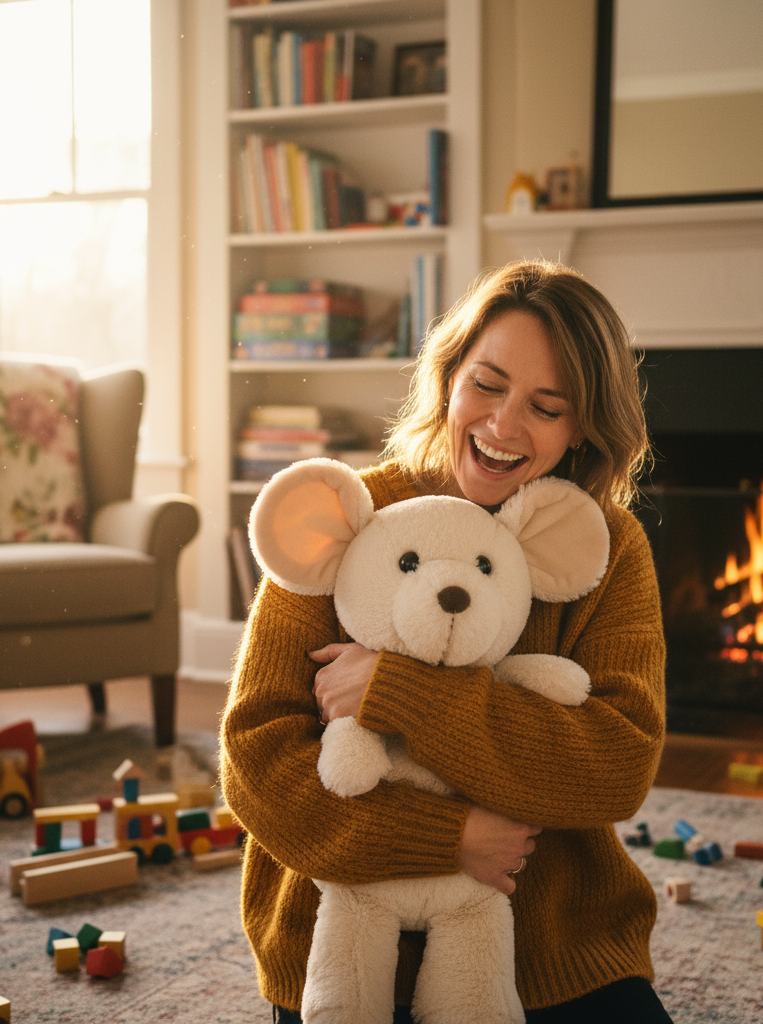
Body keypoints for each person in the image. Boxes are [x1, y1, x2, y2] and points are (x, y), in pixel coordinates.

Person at [219, 260, 672, 1023]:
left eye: (547, 406)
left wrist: (403, 695)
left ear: (585, 427)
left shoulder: (604, 546)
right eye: (487, 384)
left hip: (553, 947)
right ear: (449, 376)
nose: (502, 426)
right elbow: (257, 763)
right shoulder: (350, 515)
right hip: (343, 950)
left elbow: (618, 764)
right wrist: (446, 839)